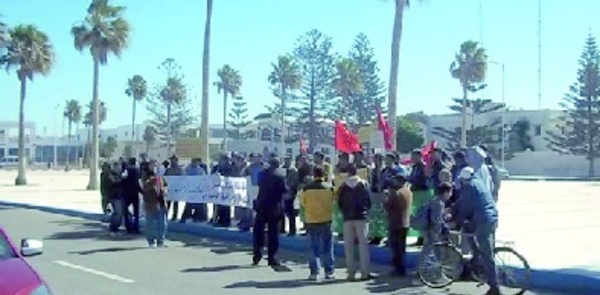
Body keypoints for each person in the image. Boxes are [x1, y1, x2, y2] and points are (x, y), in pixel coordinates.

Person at [449, 167, 500, 295]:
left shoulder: (469, 187)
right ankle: (476, 258)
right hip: (491, 217)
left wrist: (456, 221)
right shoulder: (478, 182)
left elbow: (465, 208)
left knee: (487, 254)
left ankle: (495, 287)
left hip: (483, 220)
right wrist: (451, 208)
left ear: (462, 179)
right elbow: (463, 201)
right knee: (468, 229)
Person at [299, 165, 336, 280]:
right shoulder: (330, 188)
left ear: (313, 175)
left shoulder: (306, 189)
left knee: (313, 248)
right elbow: (334, 202)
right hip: (326, 219)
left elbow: (302, 203)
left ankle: (314, 272)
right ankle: (329, 272)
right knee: (328, 247)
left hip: (311, 220)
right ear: (324, 175)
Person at [337, 163, 371, 281]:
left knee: (349, 246)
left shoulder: (343, 186)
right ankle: (365, 273)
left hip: (347, 218)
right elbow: (368, 200)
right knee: (363, 245)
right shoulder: (363, 183)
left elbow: (340, 203)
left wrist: (345, 212)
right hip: (361, 217)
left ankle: (351, 273)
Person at [253, 157, 288, 266]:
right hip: (274, 208)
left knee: (259, 232)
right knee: (273, 234)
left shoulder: (262, 174)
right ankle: (272, 257)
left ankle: (257, 256)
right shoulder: (280, 176)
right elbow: (285, 191)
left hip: (262, 206)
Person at [383, 166, 412, 277]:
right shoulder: (408, 191)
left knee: (396, 248)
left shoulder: (397, 193)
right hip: (404, 222)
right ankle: (401, 268)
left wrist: (387, 197)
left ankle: (398, 269)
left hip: (395, 223)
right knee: (401, 247)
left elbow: (388, 206)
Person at [409, 149, 430, 247]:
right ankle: (419, 238)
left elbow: (424, 179)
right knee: (416, 216)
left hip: (423, 193)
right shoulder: (414, 167)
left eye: (414, 156)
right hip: (416, 193)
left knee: (423, 215)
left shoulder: (424, 166)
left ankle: (424, 238)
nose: (412, 158)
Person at [142, 169, 169, 248]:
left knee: (163, 224)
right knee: (150, 224)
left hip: (161, 204)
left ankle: (161, 241)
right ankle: (151, 241)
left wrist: (165, 190)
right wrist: (153, 181)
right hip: (151, 205)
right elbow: (145, 187)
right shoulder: (147, 179)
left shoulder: (161, 179)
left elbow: (166, 186)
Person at [180, 158, 207, 223]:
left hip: (197, 190)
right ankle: (186, 217)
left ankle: (197, 217)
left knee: (198, 204)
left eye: (196, 162)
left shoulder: (200, 170)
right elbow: (183, 177)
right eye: (193, 161)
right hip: (190, 190)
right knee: (189, 204)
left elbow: (204, 179)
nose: (194, 163)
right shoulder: (187, 169)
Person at [212, 154, 234, 227]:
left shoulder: (229, 168)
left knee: (225, 205)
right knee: (217, 205)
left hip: (226, 189)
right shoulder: (216, 167)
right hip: (217, 189)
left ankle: (226, 221)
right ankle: (217, 219)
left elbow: (230, 176)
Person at [122, 157, 141, 234]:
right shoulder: (137, 170)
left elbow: (123, 179)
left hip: (127, 192)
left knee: (126, 210)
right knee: (136, 211)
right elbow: (138, 182)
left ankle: (128, 227)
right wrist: (142, 191)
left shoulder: (126, 170)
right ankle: (136, 227)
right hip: (135, 192)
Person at [282, 156, 299, 236]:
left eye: (288, 160)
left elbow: (294, 182)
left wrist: (288, 188)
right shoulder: (282, 168)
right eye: (285, 160)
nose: (286, 161)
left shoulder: (294, 170)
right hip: (282, 193)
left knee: (290, 212)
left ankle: (292, 230)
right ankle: (281, 228)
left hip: (291, 193)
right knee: (282, 211)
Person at [106, 162, 124, 234]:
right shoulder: (110, 175)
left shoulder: (119, 175)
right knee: (118, 213)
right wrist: (121, 179)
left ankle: (115, 228)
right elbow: (113, 183)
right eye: (118, 167)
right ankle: (113, 228)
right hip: (115, 197)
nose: (120, 169)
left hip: (120, 196)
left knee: (119, 213)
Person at [164, 156, 183, 221]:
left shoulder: (180, 170)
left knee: (175, 203)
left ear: (176, 161)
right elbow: (165, 178)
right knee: (167, 203)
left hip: (176, 189)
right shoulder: (168, 170)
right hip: (169, 189)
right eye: (171, 160)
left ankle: (174, 216)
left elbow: (183, 179)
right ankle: (165, 215)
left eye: (173, 160)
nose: (172, 162)